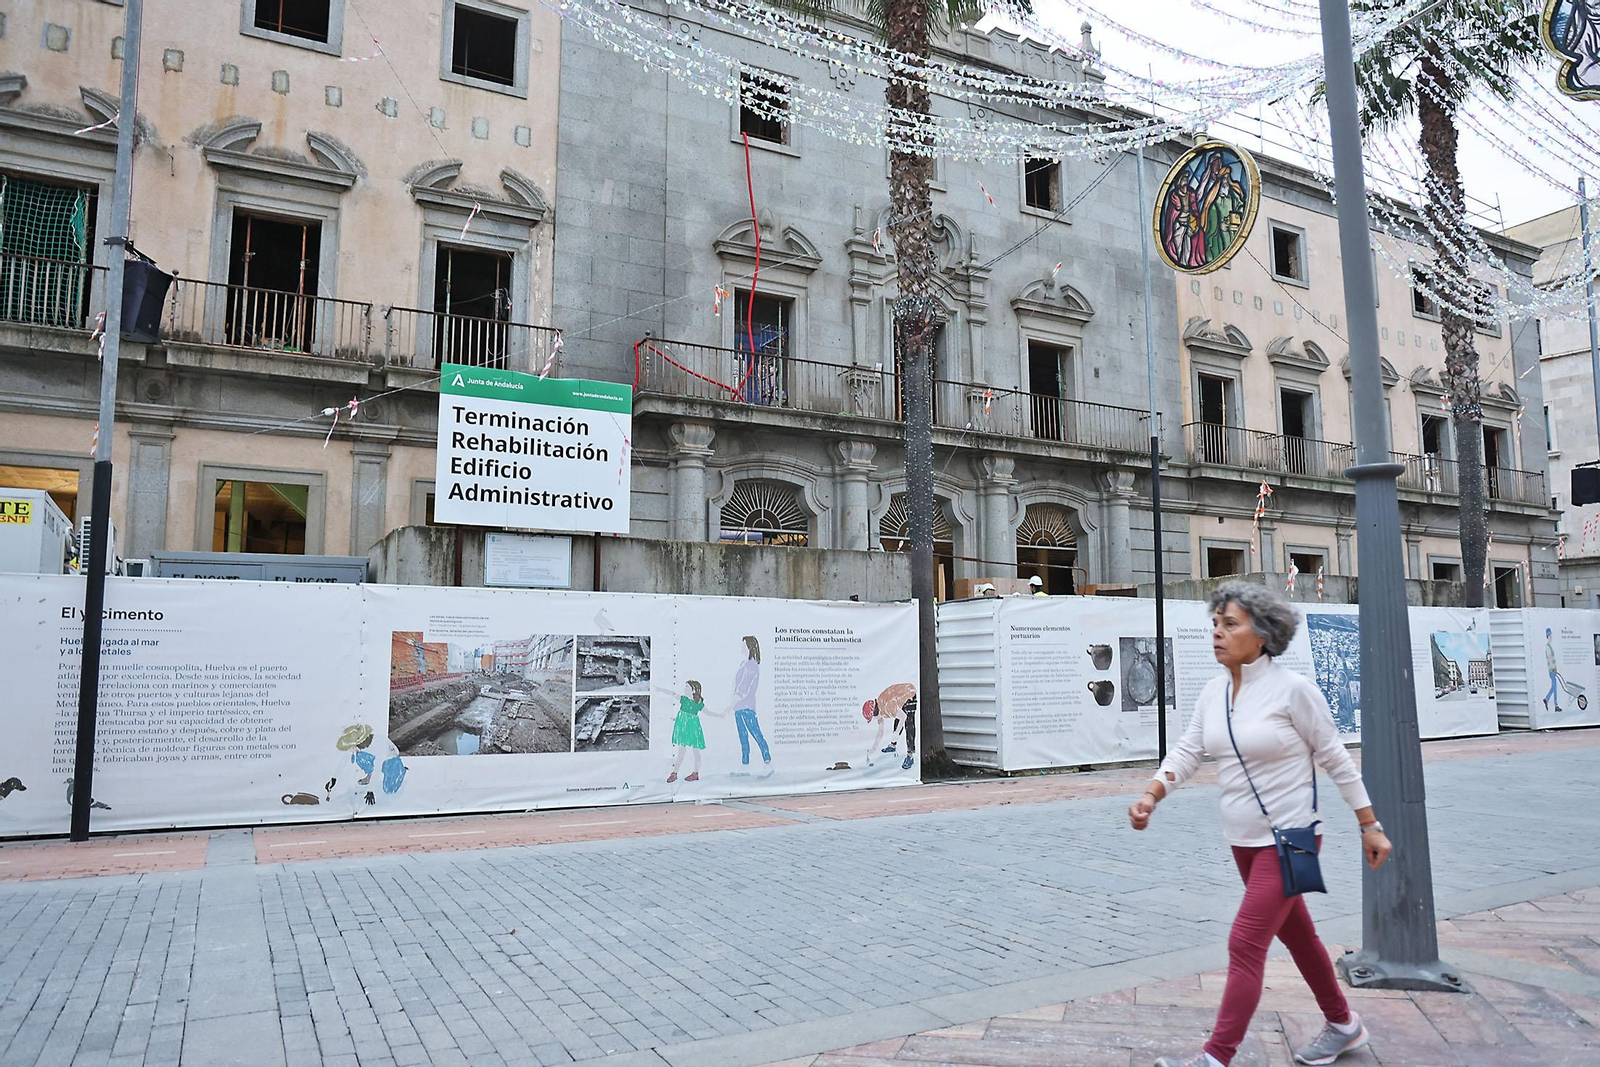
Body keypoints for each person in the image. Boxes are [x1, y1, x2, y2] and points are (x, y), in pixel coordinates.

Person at [1131, 582, 1393, 1067]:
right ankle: (1344, 1025)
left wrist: (1369, 824)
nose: (1217, 632)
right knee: (1300, 938)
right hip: (1243, 842)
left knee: (1246, 942)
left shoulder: (1293, 691)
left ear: (1263, 634)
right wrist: (1152, 794)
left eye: (1230, 624)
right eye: (1216, 623)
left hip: (1290, 840)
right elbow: (1189, 750)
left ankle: (1216, 1057)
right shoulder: (1214, 692)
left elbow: (1335, 759)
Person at [724, 635, 772, 772]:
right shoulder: (744, 664)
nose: (742, 646)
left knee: (756, 734)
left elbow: (743, 689)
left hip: (747, 706)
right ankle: (745, 765)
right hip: (739, 707)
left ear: (750, 647)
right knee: (743, 736)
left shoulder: (752, 666)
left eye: (744, 644)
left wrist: (730, 706)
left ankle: (767, 762)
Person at [862, 682, 917, 771]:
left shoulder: (887, 707)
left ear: (874, 712)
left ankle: (910, 755)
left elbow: (903, 717)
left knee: (909, 723)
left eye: (873, 717)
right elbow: (880, 732)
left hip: (909, 694)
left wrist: (896, 734)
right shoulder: (880, 706)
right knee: (897, 720)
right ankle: (892, 745)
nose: (875, 719)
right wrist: (873, 749)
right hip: (899, 697)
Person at [667, 680, 707, 784]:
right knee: (681, 751)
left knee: (696, 751)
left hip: (693, 728)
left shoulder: (698, 703)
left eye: (687, 688)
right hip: (683, 728)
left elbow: (707, 712)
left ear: (693, 690)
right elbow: (672, 693)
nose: (685, 689)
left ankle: (695, 773)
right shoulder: (684, 700)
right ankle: (674, 773)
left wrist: (720, 715)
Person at [1544, 627, 1564, 713]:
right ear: (1548, 636)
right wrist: (1553, 668)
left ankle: (1554, 704)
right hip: (1551, 670)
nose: (1551, 637)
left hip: (1553, 669)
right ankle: (1548, 700)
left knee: (1554, 687)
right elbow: (1550, 659)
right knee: (1554, 687)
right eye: (1550, 636)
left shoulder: (1550, 646)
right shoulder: (1548, 647)